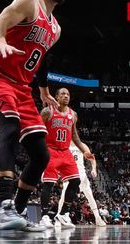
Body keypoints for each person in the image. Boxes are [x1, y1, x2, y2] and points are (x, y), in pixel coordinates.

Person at [0, 0, 63, 231]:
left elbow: (43, 58)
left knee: (41, 155)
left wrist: (43, 89)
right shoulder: (27, 3)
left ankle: (19, 210)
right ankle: (4, 209)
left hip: (23, 88)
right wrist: (0, 40)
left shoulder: (55, 28)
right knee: (10, 128)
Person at [39, 87, 94, 229]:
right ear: (56, 97)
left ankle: (63, 214)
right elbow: (38, 129)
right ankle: (44, 216)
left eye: (68, 94)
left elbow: (74, 136)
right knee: (48, 184)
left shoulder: (73, 114)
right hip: (50, 150)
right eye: (63, 94)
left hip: (65, 152)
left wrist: (84, 151)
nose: (66, 96)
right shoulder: (47, 112)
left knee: (75, 181)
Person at [57, 140, 106, 226]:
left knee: (90, 196)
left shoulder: (81, 146)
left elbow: (92, 158)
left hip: (81, 173)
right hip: (70, 172)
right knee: (63, 195)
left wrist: (94, 169)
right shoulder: (64, 146)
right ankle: (58, 217)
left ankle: (97, 218)